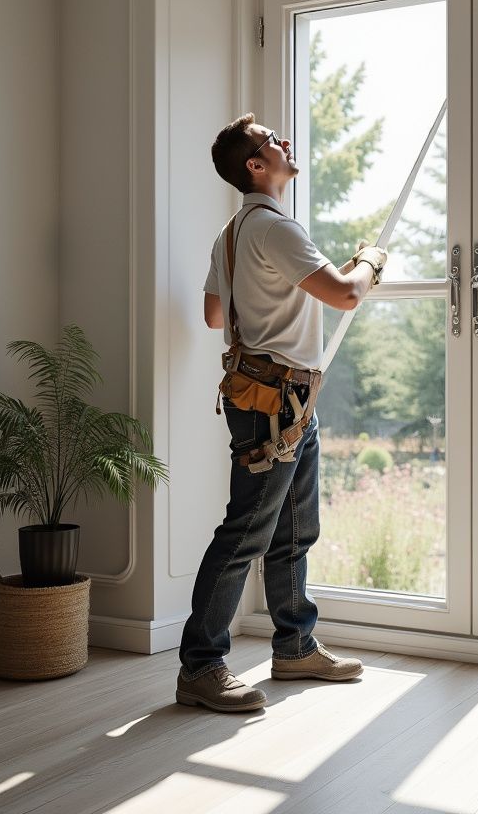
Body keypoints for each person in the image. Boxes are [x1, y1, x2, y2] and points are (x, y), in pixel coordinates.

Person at [176, 112, 387, 713]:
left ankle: (294, 647)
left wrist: (268, 300)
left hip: (282, 396)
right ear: (255, 165)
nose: (285, 142)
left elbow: (217, 317)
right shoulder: (275, 228)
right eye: (273, 140)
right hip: (276, 402)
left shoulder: (233, 233)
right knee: (247, 530)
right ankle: (200, 665)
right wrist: (369, 260)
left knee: (294, 528)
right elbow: (347, 292)